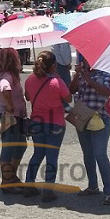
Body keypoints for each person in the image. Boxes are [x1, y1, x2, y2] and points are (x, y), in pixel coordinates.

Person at [23, 51, 71, 202]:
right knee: (51, 157)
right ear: (54, 65)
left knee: (37, 153)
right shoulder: (57, 82)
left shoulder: (30, 79)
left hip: (37, 121)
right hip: (55, 122)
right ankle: (48, 189)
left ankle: (29, 184)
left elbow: (28, 97)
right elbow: (68, 98)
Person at [70, 61, 110, 205]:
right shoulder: (82, 73)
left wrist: (88, 79)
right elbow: (71, 90)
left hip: (99, 117)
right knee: (87, 153)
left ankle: (108, 191)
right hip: (82, 116)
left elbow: (108, 92)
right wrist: (77, 74)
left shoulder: (106, 73)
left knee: (100, 154)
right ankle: (92, 185)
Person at [0, 48, 27, 194]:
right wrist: (10, 105)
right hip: (8, 115)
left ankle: (11, 176)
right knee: (9, 147)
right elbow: (5, 87)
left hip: (15, 116)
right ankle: (6, 181)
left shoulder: (8, 74)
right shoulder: (6, 76)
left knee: (20, 145)